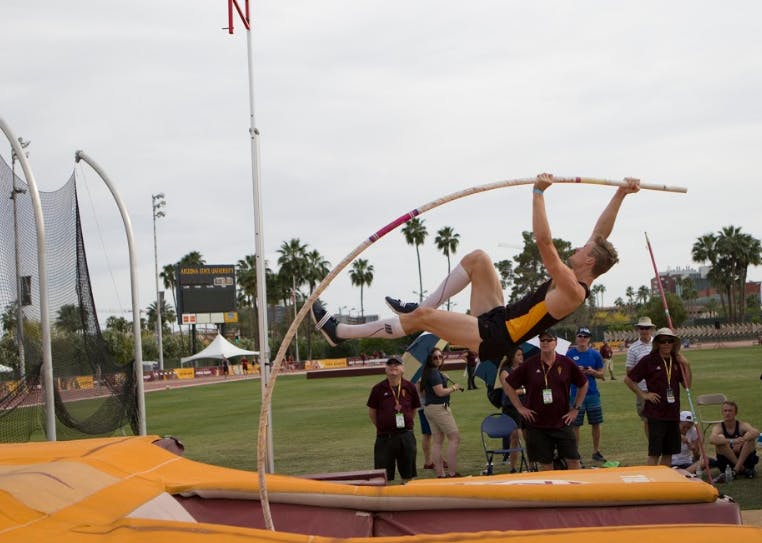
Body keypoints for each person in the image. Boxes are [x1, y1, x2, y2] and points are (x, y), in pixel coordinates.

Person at [312, 174, 641, 366]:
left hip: (496, 338)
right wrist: (621, 193)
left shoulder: (572, 288)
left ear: (589, 263)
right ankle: (422, 306)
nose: (579, 247)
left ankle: (340, 334)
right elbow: (601, 233)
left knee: (423, 321)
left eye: (584, 250)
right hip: (498, 317)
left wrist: (538, 193)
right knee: (479, 259)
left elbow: (544, 243)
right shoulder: (583, 266)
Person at [504, 329, 588, 471]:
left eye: (549, 340)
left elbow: (583, 383)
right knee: (545, 464)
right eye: (542, 340)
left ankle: (575, 492)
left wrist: (576, 408)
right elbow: (508, 384)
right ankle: (550, 492)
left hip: (562, 421)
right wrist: (520, 407)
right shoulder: (530, 364)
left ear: (556, 342)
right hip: (537, 424)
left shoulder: (566, 362)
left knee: (573, 461)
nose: (545, 343)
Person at [624, 328, 692, 466]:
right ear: (657, 343)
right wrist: (644, 394)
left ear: (674, 343)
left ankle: (664, 481)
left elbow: (687, 385)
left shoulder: (677, 361)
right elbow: (628, 380)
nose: (666, 344)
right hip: (656, 414)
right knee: (655, 452)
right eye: (663, 341)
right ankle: (651, 482)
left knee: (668, 452)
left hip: (673, 413)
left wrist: (687, 365)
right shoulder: (649, 360)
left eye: (669, 341)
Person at [367, 356, 422, 483]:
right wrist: (383, 426)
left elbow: (413, 410)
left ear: (403, 368)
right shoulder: (378, 389)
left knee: (408, 474)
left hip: (406, 436)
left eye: (397, 364)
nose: (393, 366)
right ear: (385, 369)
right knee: (383, 477)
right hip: (385, 438)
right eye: (390, 364)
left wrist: (405, 423)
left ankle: (408, 501)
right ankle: (384, 502)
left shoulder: (410, 387)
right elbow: (372, 412)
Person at [420, 347, 462, 478]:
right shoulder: (433, 373)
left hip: (430, 408)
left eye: (440, 356)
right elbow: (440, 392)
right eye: (435, 357)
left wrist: (442, 378)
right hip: (439, 408)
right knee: (454, 438)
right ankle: (452, 473)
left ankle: (440, 474)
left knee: (437, 441)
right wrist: (454, 387)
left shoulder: (429, 372)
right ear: (430, 359)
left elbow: (423, 391)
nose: (438, 359)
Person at [567, 327, 606, 463]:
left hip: (592, 394)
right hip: (575, 395)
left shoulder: (595, 354)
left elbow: (602, 374)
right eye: (580, 336)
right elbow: (564, 375)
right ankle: (575, 452)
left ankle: (596, 451)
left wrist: (592, 372)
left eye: (585, 336)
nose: (582, 339)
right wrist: (575, 372)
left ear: (589, 339)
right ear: (576, 338)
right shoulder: (569, 355)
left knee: (596, 423)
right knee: (575, 425)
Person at [708, 400, 759, 479]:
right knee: (720, 438)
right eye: (725, 411)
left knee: (750, 436)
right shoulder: (719, 427)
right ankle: (742, 469)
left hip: (744, 459)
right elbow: (711, 439)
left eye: (730, 411)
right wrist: (732, 441)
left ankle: (736, 470)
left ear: (735, 413)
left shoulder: (742, 425)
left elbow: (756, 432)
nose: (727, 413)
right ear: (722, 412)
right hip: (727, 462)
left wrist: (742, 440)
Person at [625, 316, 656, 437]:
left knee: (662, 419)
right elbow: (628, 371)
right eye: (642, 328)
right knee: (647, 420)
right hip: (643, 388)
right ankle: (652, 446)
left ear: (651, 329)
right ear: (638, 330)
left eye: (647, 328)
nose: (644, 330)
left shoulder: (658, 344)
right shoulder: (633, 348)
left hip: (659, 387)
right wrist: (643, 368)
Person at [498, 347, 526, 472]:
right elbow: (509, 392)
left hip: (526, 405)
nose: (521, 357)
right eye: (518, 355)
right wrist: (525, 390)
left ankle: (531, 465)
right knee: (515, 437)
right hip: (511, 407)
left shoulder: (523, 369)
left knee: (528, 436)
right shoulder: (505, 371)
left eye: (522, 354)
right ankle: (513, 467)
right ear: (512, 357)